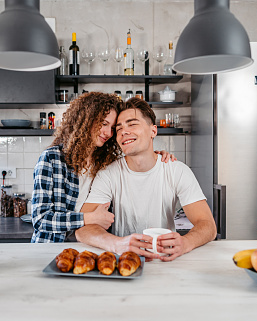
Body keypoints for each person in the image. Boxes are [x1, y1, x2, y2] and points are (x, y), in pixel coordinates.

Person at [75, 97, 217, 261]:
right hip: (124, 260)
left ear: (153, 131)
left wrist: (185, 242)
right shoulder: (108, 174)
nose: (123, 132)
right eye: (119, 128)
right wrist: (117, 244)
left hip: (166, 260)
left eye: (132, 124)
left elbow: (208, 225)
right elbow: (83, 229)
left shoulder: (177, 170)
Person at [31, 92, 174, 243]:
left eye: (113, 127)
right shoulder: (53, 158)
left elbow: (137, 158)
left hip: (90, 246)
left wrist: (156, 156)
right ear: (86, 119)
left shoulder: (105, 162)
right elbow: (40, 219)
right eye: (104, 123)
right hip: (51, 247)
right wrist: (89, 218)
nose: (108, 133)